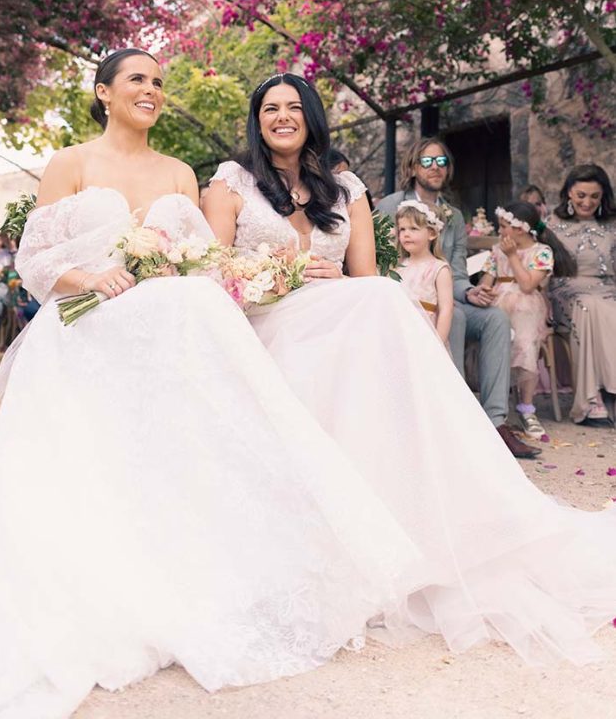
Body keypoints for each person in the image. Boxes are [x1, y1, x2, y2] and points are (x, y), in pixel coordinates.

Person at [0, 50, 417, 719]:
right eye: (138, 80)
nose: (152, 90)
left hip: (160, 314)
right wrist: (92, 280)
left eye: (159, 82)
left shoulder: (181, 173)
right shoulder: (70, 163)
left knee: (197, 307)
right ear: (104, 92)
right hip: (88, 320)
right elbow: (36, 264)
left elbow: (202, 265)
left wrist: (206, 275)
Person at [202, 72, 616, 666]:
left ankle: (431, 469)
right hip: (265, 318)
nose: (282, 117)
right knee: (375, 304)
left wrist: (336, 278)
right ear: (257, 118)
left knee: (382, 298)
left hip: (337, 308)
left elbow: (366, 276)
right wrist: (276, 279)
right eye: (270, 108)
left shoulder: (343, 187)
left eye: (295, 107)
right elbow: (216, 276)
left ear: (312, 116)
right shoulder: (231, 182)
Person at [375, 138, 535, 459]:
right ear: (412, 167)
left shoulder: (454, 216)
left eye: (441, 162)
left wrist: (471, 291)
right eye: (427, 162)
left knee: (495, 319)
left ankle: (496, 423)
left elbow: (458, 273)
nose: (435, 169)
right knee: (456, 317)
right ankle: (455, 418)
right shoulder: (390, 206)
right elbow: (377, 259)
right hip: (406, 303)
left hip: (447, 295)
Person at [479, 202, 572, 440]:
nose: (500, 232)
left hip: (527, 305)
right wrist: (484, 291)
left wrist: (512, 256)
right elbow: (487, 280)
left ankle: (526, 407)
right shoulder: (497, 250)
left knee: (523, 342)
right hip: (499, 303)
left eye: (503, 227)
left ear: (520, 229)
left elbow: (528, 285)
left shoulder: (541, 251)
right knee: (494, 337)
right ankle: (494, 405)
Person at [547, 164, 616, 425]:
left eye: (594, 196)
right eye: (580, 195)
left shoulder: (612, 225)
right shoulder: (552, 225)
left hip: (607, 290)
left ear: (603, 197)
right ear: (568, 194)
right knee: (588, 306)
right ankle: (591, 398)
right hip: (567, 292)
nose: (587, 202)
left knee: (604, 307)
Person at [395, 201, 454, 346]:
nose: (406, 234)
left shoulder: (439, 269)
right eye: (402, 229)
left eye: (413, 228)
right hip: (400, 333)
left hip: (424, 336)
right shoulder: (398, 267)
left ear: (432, 233)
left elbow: (446, 309)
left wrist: (438, 344)